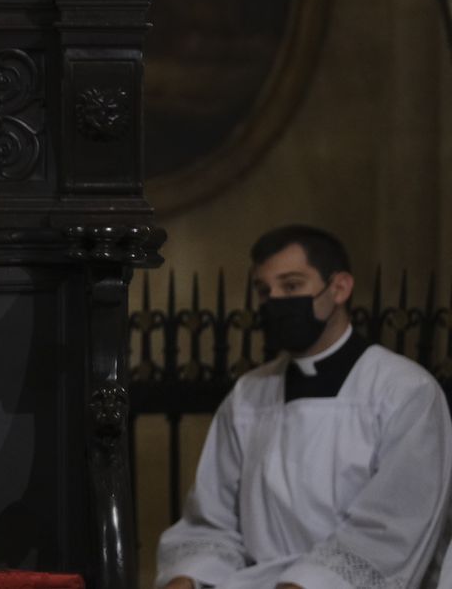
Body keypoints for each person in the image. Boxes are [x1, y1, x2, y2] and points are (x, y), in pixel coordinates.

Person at [155, 225, 452, 589]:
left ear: (339, 288)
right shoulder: (249, 394)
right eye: (265, 291)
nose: (275, 300)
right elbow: (214, 520)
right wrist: (187, 576)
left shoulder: (405, 391)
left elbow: (392, 528)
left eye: (292, 286)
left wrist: (305, 583)